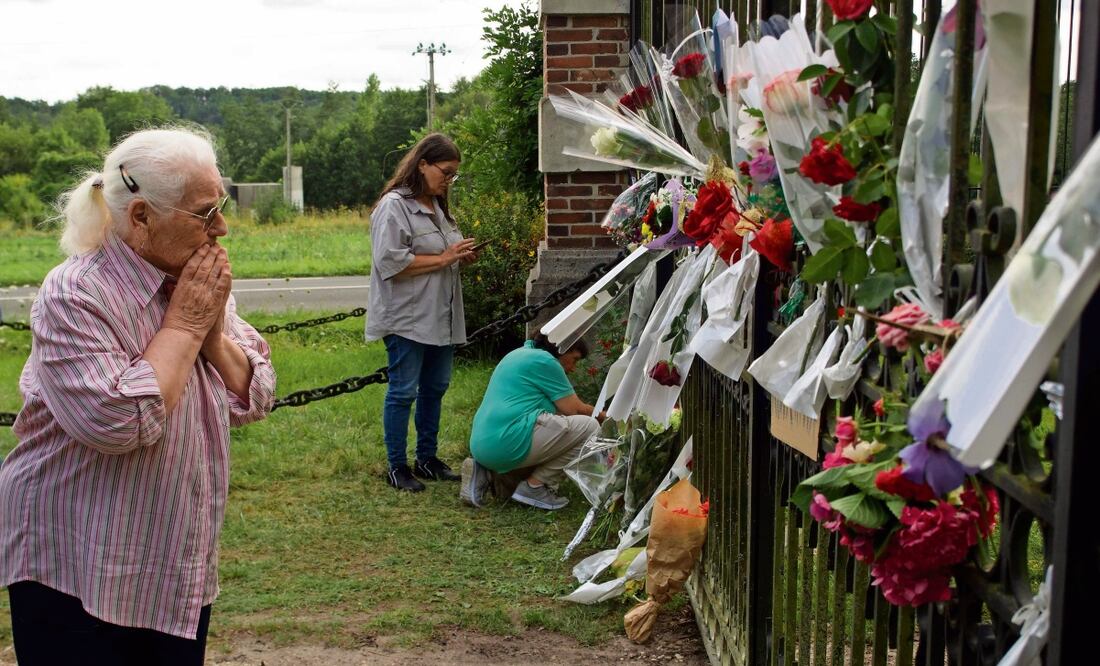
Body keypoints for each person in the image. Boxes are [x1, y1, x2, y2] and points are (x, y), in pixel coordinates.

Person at [0, 127, 276, 666]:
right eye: (204, 213)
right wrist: (186, 325)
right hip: (76, 557)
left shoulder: (192, 280)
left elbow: (257, 394)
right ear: (142, 217)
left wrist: (213, 332)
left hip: (171, 554)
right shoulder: (76, 292)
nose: (221, 228)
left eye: (219, 206)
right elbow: (119, 422)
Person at [366, 133, 477, 492]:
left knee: (435, 387)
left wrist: (458, 254)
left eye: (454, 175)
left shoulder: (438, 207)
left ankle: (427, 459)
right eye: (445, 172)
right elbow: (389, 262)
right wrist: (444, 258)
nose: (449, 180)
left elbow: (439, 253)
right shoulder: (394, 206)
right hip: (407, 318)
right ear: (422, 165)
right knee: (403, 392)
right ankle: (397, 466)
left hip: (440, 316)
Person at [463, 335, 605, 510]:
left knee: (560, 427)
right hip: (505, 442)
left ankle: (486, 470)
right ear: (562, 349)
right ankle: (536, 486)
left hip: (482, 442)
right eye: (574, 360)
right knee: (589, 427)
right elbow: (575, 410)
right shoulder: (545, 361)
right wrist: (612, 416)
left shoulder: (518, 354)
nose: (574, 368)